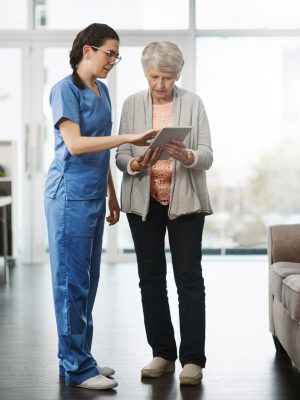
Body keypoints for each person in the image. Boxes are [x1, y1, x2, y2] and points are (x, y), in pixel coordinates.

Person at [44, 23, 156, 391]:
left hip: (93, 194)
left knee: (87, 284)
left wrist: (111, 192)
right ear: (87, 50)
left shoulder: (102, 90)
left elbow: (101, 149)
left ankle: (78, 359)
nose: (113, 61)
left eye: (116, 55)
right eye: (110, 53)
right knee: (70, 284)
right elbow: (76, 145)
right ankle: (77, 368)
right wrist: (129, 137)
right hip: (68, 196)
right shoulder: (65, 89)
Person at [116, 41, 213, 386]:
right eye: (155, 76)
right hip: (144, 203)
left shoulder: (193, 103)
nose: (161, 84)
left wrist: (187, 156)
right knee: (151, 278)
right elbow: (121, 153)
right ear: (146, 72)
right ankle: (162, 353)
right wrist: (133, 163)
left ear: (179, 75)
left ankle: (192, 360)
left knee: (189, 278)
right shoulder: (130, 104)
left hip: (184, 201)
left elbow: (207, 155)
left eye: (168, 78)